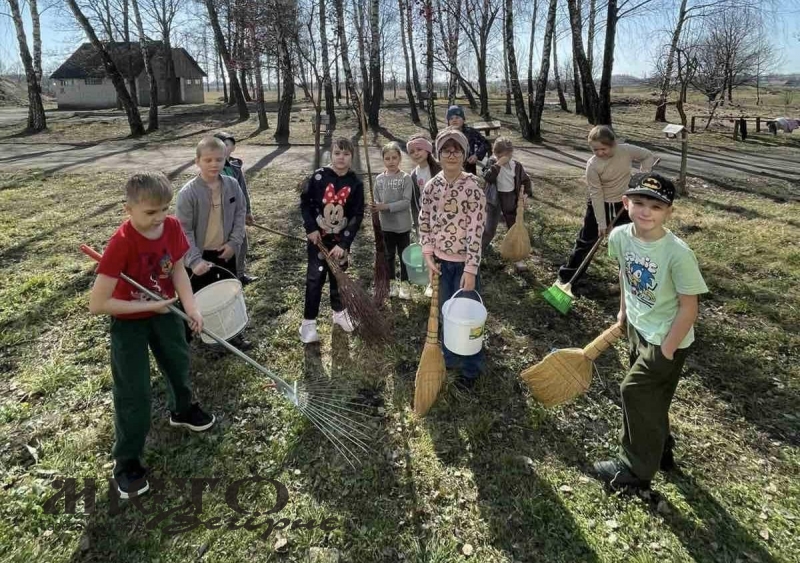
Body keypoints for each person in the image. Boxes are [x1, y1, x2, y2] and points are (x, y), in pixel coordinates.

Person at [88, 172, 215, 499]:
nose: (159, 217)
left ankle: (182, 410)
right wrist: (150, 306)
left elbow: (178, 270)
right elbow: (98, 304)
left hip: (166, 313)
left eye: (164, 209)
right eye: (150, 212)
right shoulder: (121, 243)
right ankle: (127, 461)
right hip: (128, 323)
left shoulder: (171, 227)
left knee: (178, 362)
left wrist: (191, 308)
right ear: (128, 209)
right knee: (134, 390)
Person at [593, 172, 708, 491]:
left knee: (634, 392)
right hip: (638, 329)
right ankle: (660, 450)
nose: (646, 212)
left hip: (666, 339)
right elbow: (625, 275)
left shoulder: (678, 254)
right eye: (640, 203)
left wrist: (668, 349)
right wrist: (623, 312)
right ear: (626, 203)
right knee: (651, 398)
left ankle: (635, 469)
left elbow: (689, 308)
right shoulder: (620, 237)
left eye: (656, 207)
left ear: (669, 212)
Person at [420, 127, 487, 390]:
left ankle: (471, 367)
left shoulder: (473, 188)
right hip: (439, 262)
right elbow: (424, 221)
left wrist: (470, 268)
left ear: (464, 154)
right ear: (438, 154)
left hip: (463, 264)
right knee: (446, 312)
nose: (451, 155)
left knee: (467, 316)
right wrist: (428, 253)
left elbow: (476, 230)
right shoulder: (431, 187)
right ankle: (450, 356)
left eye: (457, 150)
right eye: (446, 150)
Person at [176, 136, 250, 350]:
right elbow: (183, 231)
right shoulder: (188, 193)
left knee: (227, 293)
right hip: (198, 256)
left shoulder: (232, 185)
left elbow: (240, 213)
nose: (214, 164)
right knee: (194, 297)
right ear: (197, 161)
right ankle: (189, 338)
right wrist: (194, 260)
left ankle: (232, 335)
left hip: (225, 251)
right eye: (207, 160)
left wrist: (234, 243)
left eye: (219, 159)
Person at [558, 125, 656, 286]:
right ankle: (567, 279)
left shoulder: (625, 150)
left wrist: (642, 177)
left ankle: (631, 281)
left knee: (628, 242)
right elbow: (596, 194)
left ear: (613, 144)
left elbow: (647, 156)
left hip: (624, 205)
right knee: (586, 242)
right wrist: (601, 223)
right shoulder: (593, 165)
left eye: (603, 149)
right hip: (600, 205)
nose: (599, 153)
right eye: (595, 149)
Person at [299, 137, 365, 344]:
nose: (341, 158)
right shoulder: (319, 177)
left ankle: (339, 313)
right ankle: (308, 323)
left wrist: (344, 244)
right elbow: (305, 203)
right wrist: (311, 228)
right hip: (318, 240)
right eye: (337, 153)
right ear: (331, 154)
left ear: (352, 157)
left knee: (338, 278)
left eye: (346, 154)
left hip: (339, 243)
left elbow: (356, 215)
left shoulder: (355, 183)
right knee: (315, 279)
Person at [481, 137, 533, 270]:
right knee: (489, 228)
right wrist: (498, 164)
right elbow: (487, 177)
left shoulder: (516, 166)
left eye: (504, 156)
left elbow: (525, 181)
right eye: (498, 155)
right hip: (494, 199)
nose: (501, 158)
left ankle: (517, 257)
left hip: (510, 198)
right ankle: (478, 252)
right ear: (494, 153)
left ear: (510, 154)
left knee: (513, 226)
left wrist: (525, 194)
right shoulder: (492, 163)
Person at [371, 142, 414, 300]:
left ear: (399, 158)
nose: (391, 161)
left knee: (404, 256)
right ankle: (392, 283)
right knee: (389, 255)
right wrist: (375, 206)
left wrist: (386, 206)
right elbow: (376, 198)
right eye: (387, 158)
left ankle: (405, 284)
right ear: (383, 160)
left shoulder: (405, 178)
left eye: (394, 158)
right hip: (386, 226)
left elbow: (406, 202)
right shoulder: (379, 179)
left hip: (402, 226)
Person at [214, 132, 257, 286]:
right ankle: (225, 278)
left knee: (242, 244)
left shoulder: (235, 168)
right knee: (225, 248)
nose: (226, 148)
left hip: (237, 214)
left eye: (229, 145)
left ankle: (239, 275)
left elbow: (243, 191)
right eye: (223, 144)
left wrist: (247, 211)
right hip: (221, 216)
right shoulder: (213, 168)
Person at [407, 134, 441, 298]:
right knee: (429, 249)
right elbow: (414, 201)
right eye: (412, 151)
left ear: (428, 150)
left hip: (442, 217)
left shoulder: (440, 169)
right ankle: (431, 281)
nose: (416, 153)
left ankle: (443, 278)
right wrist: (417, 222)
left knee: (441, 248)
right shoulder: (413, 175)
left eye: (419, 149)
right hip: (425, 217)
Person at [445, 105, 490, 175]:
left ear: (463, 119)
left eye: (457, 117)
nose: (454, 120)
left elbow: (485, 143)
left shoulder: (470, 132)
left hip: (469, 168)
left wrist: (476, 155)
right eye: (451, 118)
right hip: (451, 167)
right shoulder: (445, 135)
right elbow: (437, 150)